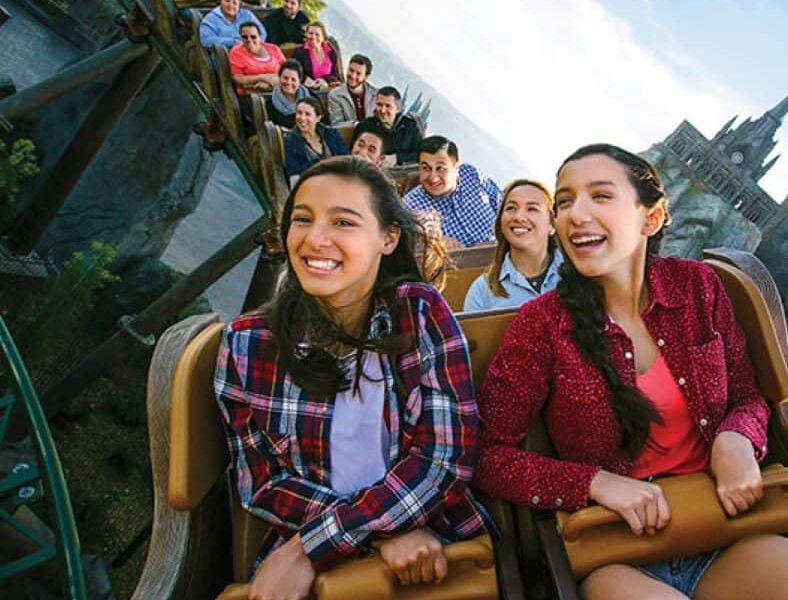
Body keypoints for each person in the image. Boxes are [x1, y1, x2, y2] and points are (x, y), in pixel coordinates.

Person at [474, 144, 788, 600]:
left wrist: (737, 438)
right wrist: (596, 483)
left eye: (600, 196)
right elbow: (488, 455)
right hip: (615, 550)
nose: (575, 214)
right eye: (564, 201)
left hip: (718, 526)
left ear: (652, 217)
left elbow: (747, 395)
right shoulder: (541, 324)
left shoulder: (699, 287)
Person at [215, 157, 483, 599]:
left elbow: (444, 462)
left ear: (388, 238)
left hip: (436, 543)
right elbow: (262, 482)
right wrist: (375, 535)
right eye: (303, 219)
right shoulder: (247, 344)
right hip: (319, 563)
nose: (315, 239)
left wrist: (314, 545)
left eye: (343, 222)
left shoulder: (418, 313)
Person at [463, 179, 564, 312]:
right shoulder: (482, 291)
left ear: (552, 224)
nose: (518, 217)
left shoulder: (577, 272)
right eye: (511, 208)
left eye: (532, 209)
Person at [402, 136, 500, 249]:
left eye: (440, 168)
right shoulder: (410, 205)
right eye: (426, 168)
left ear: (456, 167)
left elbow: (502, 205)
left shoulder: (472, 175)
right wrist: (434, 244)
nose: (433, 178)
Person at [355, 87, 424, 166]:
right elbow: (354, 153)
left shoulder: (410, 126)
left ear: (398, 109)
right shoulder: (365, 126)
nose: (382, 110)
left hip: (403, 170)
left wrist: (397, 158)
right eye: (379, 105)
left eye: (388, 106)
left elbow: (421, 153)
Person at [283, 98, 349, 181]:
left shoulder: (331, 133)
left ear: (318, 118)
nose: (302, 118)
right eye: (299, 113)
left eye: (307, 114)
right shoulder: (289, 141)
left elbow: (345, 157)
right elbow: (294, 171)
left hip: (338, 178)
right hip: (310, 183)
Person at [228, 22, 284, 96]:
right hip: (251, 94)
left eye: (253, 37)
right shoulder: (236, 52)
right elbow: (238, 78)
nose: (249, 40)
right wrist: (262, 78)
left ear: (260, 36)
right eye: (245, 37)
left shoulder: (273, 48)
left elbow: (287, 69)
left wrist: (270, 83)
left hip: (278, 88)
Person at [327, 54, 378, 126]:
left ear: (366, 77)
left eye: (358, 73)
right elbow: (336, 124)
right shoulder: (335, 95)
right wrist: (357, 125)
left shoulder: (376, 95)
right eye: (351, 70)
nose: (353, 76)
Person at [294, 21, 341, 92]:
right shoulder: (299, 51)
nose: (313, 37)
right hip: (307, 90)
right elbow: (294, 70)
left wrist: (324, 80)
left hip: (328, 89)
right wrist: (305, 79)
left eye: (317, 34)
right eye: (310, 33)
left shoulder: (331, 51)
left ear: (323, 38)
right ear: (306, 35)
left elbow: (336, 75)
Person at [199, 0, 266, 49]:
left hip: (250, 53)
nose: (230, 5)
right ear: (221, 1)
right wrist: (232, 42)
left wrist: (253, 43)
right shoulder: (211, 19)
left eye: (234, 2)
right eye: (227, 1)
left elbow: (262, 32)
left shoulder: (247, 15)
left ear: (239, 4)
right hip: (223, 58)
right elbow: (206, 40)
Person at [265, 60, 310, 128]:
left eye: (293, 79)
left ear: (299, 81)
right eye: (285, 78)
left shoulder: (310, 98)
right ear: (279, 78)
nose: (288, 82)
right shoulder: (271, 103)